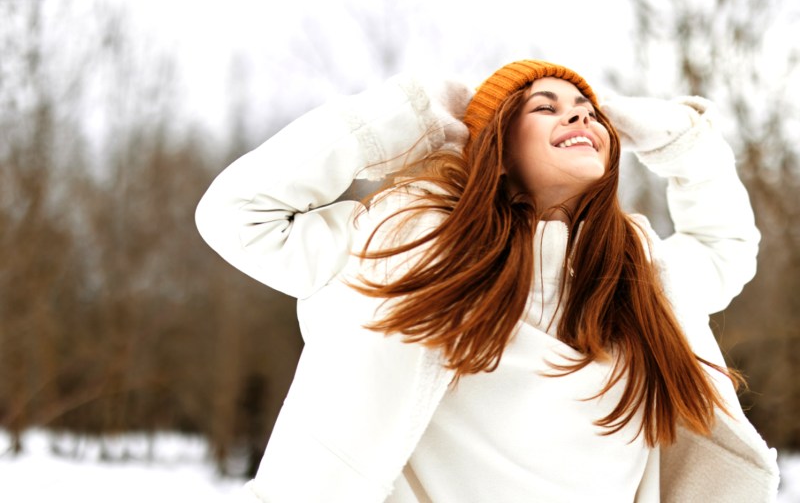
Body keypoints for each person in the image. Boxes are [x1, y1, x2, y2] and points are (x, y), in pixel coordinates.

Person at [195, 60, 779, 502]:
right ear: (495, 146)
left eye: (590, 110)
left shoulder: (638, 273)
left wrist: (684, 142)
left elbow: (725, 248)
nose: (580, 114)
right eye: (545, 107)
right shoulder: (401, 244)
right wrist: (411, 115)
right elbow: (237, 212)